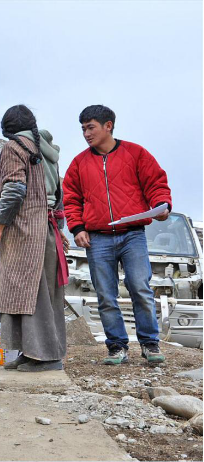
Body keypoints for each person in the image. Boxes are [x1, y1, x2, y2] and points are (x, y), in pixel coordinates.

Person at [63, 105, 171, 366]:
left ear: (108, 125)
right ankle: (116, 347)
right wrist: (77, 228)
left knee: (140, 287)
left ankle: (149, 344)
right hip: (97, 238)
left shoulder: (136, 153)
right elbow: (71, 198)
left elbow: (156, 183)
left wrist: (163, 205)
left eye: (91, 127)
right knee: (105, 294)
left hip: (133, 234)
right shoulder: (79, 162)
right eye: (83, 129)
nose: (86, 134)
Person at [0, 104, 68, 373]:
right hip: (48, 229)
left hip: (26, 232)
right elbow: (57, 194)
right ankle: (30, 352)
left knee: (31, 293)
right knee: (38, 293)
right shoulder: (46, 150)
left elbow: (16, 188)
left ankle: (45, 357)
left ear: (7, 129)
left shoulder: (13, 147)